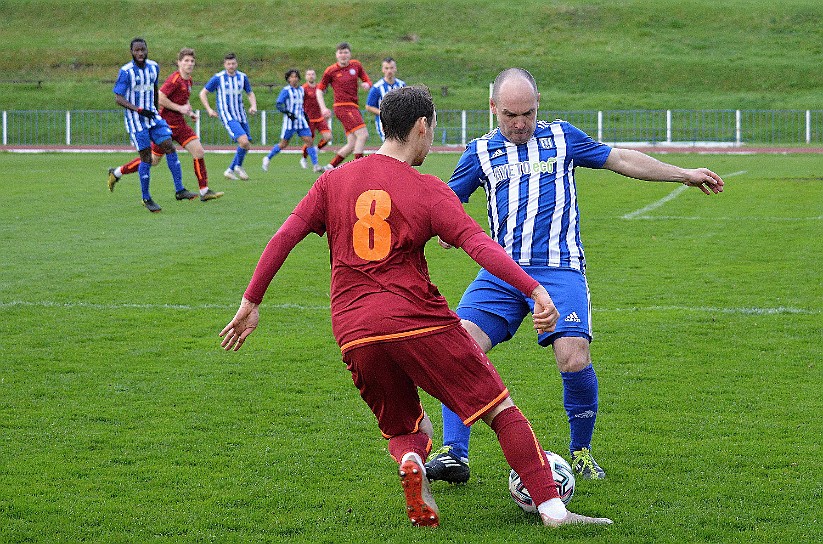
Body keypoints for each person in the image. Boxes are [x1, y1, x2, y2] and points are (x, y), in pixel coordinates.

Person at [219, 86, 612, 529]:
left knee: (407, 426)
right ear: (422, 127)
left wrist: (251, 301)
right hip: (417, 320)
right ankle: (553, 510)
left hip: (353, 329)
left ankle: (412, 460)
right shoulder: (426, 190)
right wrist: (535, 290)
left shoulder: (333, 181)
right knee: (500, 411)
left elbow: (284, 236)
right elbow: (479, 245)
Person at [426, 68, 725, 484]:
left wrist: (684, 174)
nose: (519, 123)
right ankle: (454, 453)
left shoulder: (562, 137)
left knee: (573, 356)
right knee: (458, 348)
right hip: (501, 273)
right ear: (493, 108)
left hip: (559, 268)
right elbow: (445, 202)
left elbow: (619, 158)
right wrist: (445, 227)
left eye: (527, 113)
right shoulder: (478, 152)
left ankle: (580, 451)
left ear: (538, 104)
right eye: (510, 114)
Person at [108, 47, 223, 202]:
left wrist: (188, 112)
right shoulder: (174, 80)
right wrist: (180, 108)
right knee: (151, 161)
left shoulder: (188, 80)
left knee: (199, 152)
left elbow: (183, 100)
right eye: (186, 61)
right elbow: (161, 97)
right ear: (179, 63)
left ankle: (204, 191)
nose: (189, 64)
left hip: (180, 125)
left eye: (192, 61)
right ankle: (117, 173)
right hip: (165, 125)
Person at [110, 38, 197, 212]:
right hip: (137, 120)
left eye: (143, 50)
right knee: (147, 158)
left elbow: (155, 89)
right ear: (131, 52)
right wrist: (139, 110)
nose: (140, 53)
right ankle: (146, 198)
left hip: (152, 117)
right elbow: (118, 98)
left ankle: (179, 190)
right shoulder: (126, 72)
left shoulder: (153, 67)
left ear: (147, 50)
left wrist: (156, 111)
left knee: (169, 147)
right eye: (137, 51)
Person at [199, 52, 257, 181]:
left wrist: (253, 106)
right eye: (228, 64)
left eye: (233, 63)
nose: (231, 66)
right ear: (225, 65)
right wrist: (209, 109)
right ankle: (238, 167)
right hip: (227, 115)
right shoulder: (218, 78)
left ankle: (230, 170)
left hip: (241, 114)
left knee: (246, 144)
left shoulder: (242, 77)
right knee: (244, 141)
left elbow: (250, 93)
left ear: (236, 64)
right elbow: (203, 93)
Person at [316, 42, 372, 170]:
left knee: (352, 143)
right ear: (336, 55)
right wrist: (323, 108)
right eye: (340, 53)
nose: (343, 55)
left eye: (346, 52)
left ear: (350, 54)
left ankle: (329, 167)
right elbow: (319, 90)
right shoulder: (331, 71)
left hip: (353, 107)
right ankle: (360, 169)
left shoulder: (356, 65)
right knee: (363, 135)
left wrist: (367, 85)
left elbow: (366, 80)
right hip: (342, 107)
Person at [262, 69, 321, 173]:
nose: (294, 79)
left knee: (309, 141)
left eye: (296, 76)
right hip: (290, 122)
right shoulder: (286, 90)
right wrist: (288, 113)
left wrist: (305, 115)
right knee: (283, 144)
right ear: (288, 79)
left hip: (301, 121)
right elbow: (279, 104)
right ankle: (267, 158)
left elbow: (302, 104)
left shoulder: (301, 90)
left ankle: (315, 165)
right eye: (292, 77)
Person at [365, 57, 406, 142]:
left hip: (400, 121)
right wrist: (384, 113)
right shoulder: (377, 87)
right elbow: (369, 106)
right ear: (383, 70)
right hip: (384, 123)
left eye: (391, 68)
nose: (389, 71)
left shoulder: (402, 85)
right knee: (391, 145)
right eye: (386, 68)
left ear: (395, 69)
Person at [299, 69, 333, 170]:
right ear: (306, 77)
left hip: (320, 118)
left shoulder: (319, 87)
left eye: (313, 74)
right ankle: (304, 158)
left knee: (328, 137)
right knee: (309, 141)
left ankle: (316, 149)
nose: (311, 76)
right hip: (309, 119)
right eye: (308, 74)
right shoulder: (303, 88)